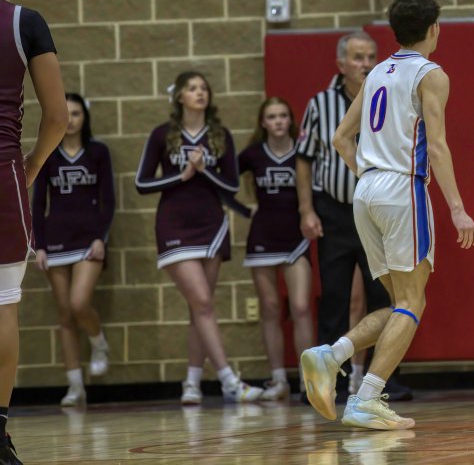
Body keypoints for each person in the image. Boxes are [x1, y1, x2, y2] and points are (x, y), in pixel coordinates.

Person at [299, 0, 474, 431]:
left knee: (401, 303)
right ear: (433, 28)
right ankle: (366, 398)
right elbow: (437, 146)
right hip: (401, 188)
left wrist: (369, 175)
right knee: (412, 303)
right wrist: (458, 209)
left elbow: (340, 138)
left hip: (365, 191)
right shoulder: (431, 74)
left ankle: (332, 355)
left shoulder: (377, 71)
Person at [135, 71, 262, 404]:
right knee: (203, 303)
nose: (200, 93)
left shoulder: (221, 135)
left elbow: (232, 186)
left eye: (204, 88)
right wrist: (183, 175)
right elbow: (142, 183)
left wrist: (205, 171)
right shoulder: (162, 134)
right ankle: (229, 381)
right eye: (192, 88)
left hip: (211, 225)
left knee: (199, 308)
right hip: (174, 226)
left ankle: (191, 383)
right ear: (179, 96)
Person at [295, 31, 405, 398]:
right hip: (335, 213)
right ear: (341, 64)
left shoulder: (387, 97)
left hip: (377, 212)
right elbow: (304, 160)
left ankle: (384, 379)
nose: (366, 64)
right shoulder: (320, 103)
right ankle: (329, 383)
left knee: (385, 296)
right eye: (358, 58)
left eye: (372, 57)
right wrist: (306, 209)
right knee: (334, 298)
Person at [0, 0, 68, 465]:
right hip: (3, 179)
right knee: (3, 305)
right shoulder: (25, 22)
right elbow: (57, 116)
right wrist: (30, 167)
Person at [31, 93, 114, 407]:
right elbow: (38, 204)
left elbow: (109, 201)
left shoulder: (99, 152)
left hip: (89, 240)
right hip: (55, 241)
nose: (70, 119)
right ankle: (76, 386)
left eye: (76, 113)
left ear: (84, 117)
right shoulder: (48, 154)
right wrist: (39, 245)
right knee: (65, 314)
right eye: (65, 113)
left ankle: (99, 343)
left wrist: (101, 238)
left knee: (80, 304)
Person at [239, 97, 314, 402]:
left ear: (290, 120)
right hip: (263, 237)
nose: (278, 121)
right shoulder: (253, 154)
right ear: (263, 122)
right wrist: (244, 210)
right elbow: (221, 180)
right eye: (272, 116)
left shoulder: (302, 151)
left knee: (301, 307)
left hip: (295, 237)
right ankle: (279, 379)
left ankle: (309, 381)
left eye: (283, 115)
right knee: (270, 308)